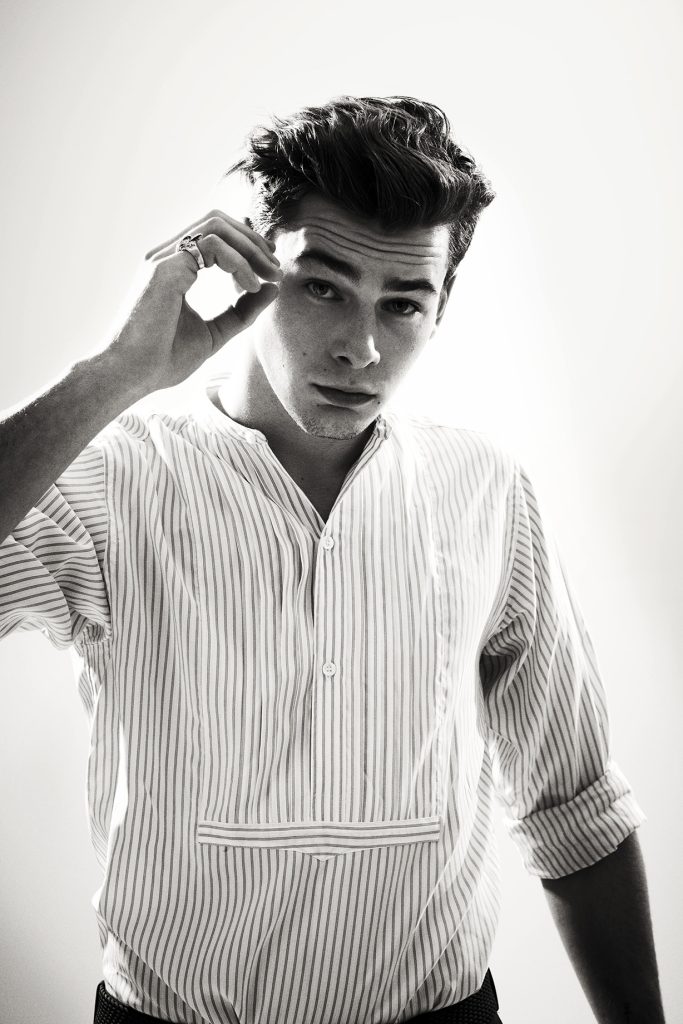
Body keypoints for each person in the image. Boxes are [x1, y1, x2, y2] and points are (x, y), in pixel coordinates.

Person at [0, 95, 666, 1024]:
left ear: (440, 309)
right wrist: (115, 374)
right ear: (251, 273)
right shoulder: (109, 479)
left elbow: (573, 804)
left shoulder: (485, 488)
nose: (361, 348)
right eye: (323, 287)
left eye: (403, 305)